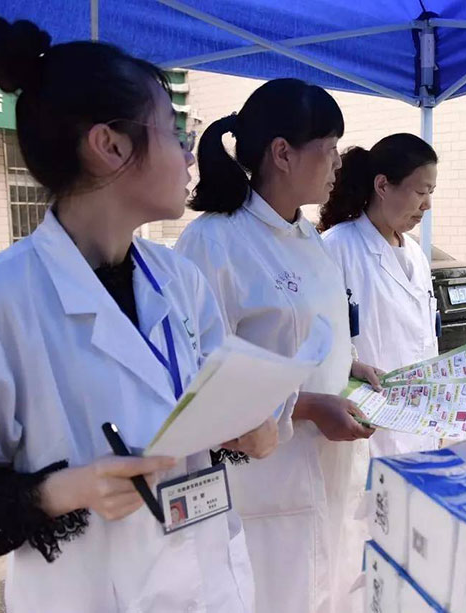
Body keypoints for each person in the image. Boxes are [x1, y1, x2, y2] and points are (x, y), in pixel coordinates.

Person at [0, 18, 278, 612]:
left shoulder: (180, 279)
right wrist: (66, 490)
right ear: (110, 145)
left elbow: (209, 408)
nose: (188, 154)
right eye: (174, 131)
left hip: (212, 584)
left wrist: (245, 430)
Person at [174, 78, 380, 613]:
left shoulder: (307, 235)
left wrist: (351, 366)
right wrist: (307, 406)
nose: (338, 163)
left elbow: (310, 336)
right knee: (276, 595)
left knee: (329, 586)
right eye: (329, 148)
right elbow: (199, 382)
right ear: (283, 153)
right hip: (263, 478)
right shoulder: (213, 241)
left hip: (328, 463)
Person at [319, 133, 441, 457]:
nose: (427, 205)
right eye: (420, 192)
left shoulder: (415, 254)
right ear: (383, 185)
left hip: (420, 427)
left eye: (431, 193)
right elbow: (317, 346)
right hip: (366, 433)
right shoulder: (335, 248)